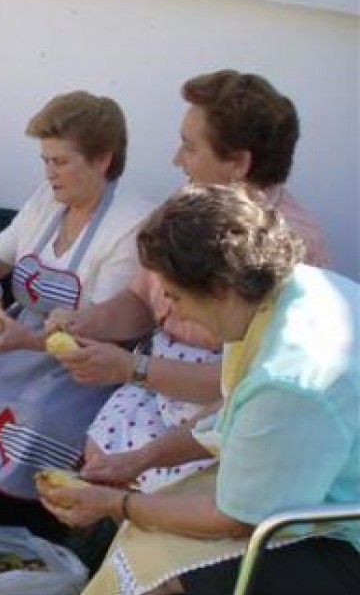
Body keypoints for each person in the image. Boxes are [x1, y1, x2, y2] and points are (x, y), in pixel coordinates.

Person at [38, 184, 360, 595]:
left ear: (219, 285)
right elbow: (230, 412)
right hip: (321, 485)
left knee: (149, 575)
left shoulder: (290, 375)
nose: (167, 309)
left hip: (344, 547)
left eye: (176, 297)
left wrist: (118, 504)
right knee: (156, 536)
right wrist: (138, 461)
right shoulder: (283, 291)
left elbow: (235, 516)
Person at [52, 70, 332, 493]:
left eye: (188, 146)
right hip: (153, 382)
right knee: (96, 463)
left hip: (218, 410)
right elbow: (142, 301)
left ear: (238, 163)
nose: (175, 160)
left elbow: (244, 384)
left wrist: (133, 368)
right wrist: (86, 323)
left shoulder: (291, 251)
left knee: (151, 492)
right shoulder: (187, 205)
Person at [0, 91, 153, 533]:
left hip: (83, 363)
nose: (49, 173)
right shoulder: (45, 201)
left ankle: (36, 521)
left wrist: (28, 340)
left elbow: (108, 332)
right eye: (45, 160)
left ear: (102, 160)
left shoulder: (131, 224)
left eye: (60, 161)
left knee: (35, 416)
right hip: (19, 337)